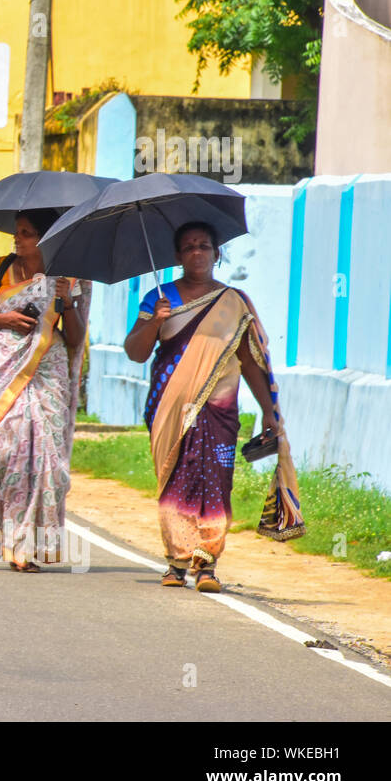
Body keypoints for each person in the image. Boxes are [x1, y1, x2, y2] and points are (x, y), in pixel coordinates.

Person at [123, 221, 303, 593]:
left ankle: (206, 563)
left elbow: (250, 362)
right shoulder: (160, 299)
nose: (197, 253)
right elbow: (136, 352)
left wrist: (268, 411)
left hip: (219, 411)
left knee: (216, 484)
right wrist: (153, 322)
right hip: (168, 408)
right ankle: (176, 561)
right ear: (177, 256)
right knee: (175, 481)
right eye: (188, 247)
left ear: (216, 253)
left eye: (204, 245)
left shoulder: (233, 303)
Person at [0, 209, 91, 572]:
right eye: (17, 232)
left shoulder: (68, 277)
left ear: (45, 237)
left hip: (47, 373)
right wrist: (4, 319)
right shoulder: (0, 268)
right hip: (3, 370)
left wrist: (67, 302)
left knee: (47, 460)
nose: (17, 239)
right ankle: (6, 530)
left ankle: (25, 547)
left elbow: (77, 338)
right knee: (1, 451)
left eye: (25, 233)